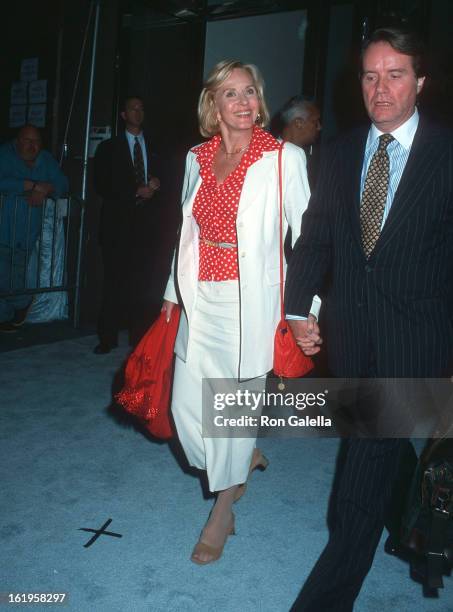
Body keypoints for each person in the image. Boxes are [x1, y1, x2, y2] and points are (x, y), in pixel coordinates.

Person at [285, 27, 453, 610]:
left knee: (358, 478)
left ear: (421, 81)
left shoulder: (447, 154)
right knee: (384, 451)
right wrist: (297, 307)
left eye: (396, 74)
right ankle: (411, 527)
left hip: (418, 341)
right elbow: (316, 242)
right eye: (369, 75)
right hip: (353, 337)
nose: (380, 88)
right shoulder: (337, 152)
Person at [162, 60, 320, 565]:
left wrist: (305, 310)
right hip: (198, 294)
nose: (244, 102)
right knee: (187, 412)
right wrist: (171, 294)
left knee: (228, 414)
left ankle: (222, 513)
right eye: (231, 94)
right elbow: (186, 234)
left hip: (248, 300)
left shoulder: (283, 157)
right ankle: (241, 458)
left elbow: (309, 239)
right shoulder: (197, 157)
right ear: (214, 105)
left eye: (250, 91)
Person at [93, 96, 162, 353]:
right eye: (133, 108)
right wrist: (136, 190)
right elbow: (102, 184)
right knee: (113, 282)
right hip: (117, 226)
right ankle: (107, 338)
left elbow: (171, 177)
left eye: (142, 107)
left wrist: (157, 183)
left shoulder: (155, 145)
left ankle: (140, 338)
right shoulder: (109, 148)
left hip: (147, 228)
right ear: (123, 114)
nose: (138, 111)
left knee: (144, 284)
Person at [0, 124, 68, 332]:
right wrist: (30, 185)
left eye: (37, 141)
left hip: (26, 231)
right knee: (4, 274)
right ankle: (8, 315)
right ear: (18, 141)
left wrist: (47, 187)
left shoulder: (46, 160)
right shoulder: (5, 155)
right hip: (3, 226)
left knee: (13, 274)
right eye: (28, 141)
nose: (32, 146)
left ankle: (20, 304)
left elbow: (63, 184)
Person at [278, 96, 322, 189]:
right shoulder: (269, 158)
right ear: (299, 123)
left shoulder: (317, 160)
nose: (319, 127)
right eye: (315, 122)